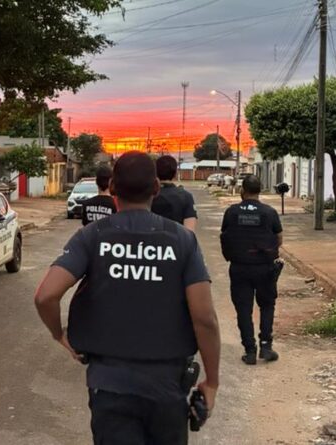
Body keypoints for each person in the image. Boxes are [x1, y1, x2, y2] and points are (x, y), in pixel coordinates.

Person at [34, 151, 221, 445]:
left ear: (113, 189)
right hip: (167, 387)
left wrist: (60, 335)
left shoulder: (92, 236)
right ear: (156, 189)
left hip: (109, 387)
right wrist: (212, 381)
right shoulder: (182, 240)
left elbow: (46, 295)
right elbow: (205, 319)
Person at [220, 175, 283, 365]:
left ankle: (249, 351)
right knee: (267, 305)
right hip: (264, 267)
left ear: (242, 191)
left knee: (243, 310)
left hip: (239, 267)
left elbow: (224, 236)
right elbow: (279, 238)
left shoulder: (232, 212)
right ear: (260, 190)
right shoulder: (269, 212)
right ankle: (266, 346)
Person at [151, 155, 198, 231]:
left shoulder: (147, 196)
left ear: (155, 172)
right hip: (176, 241)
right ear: (175, 173)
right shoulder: (186, 197)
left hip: (148, 242)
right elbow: (190, 231)